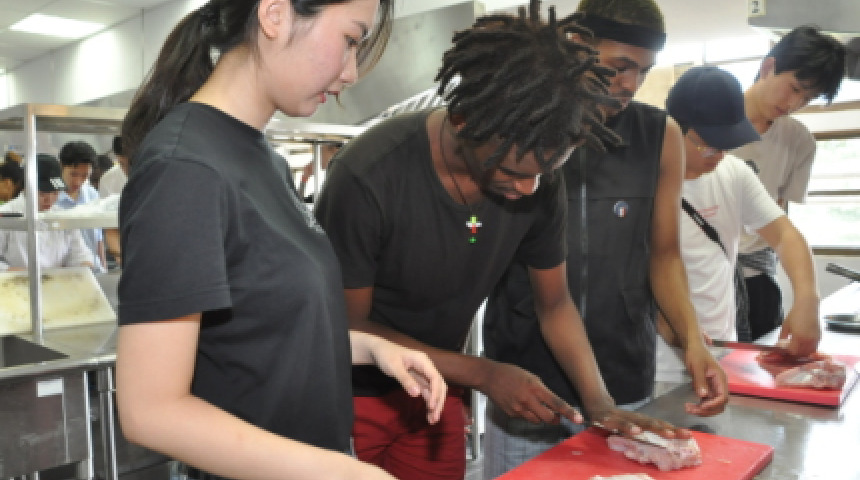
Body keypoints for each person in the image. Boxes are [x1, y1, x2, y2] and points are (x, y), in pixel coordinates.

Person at [314, 3, 690, 479]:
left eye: (542, 174)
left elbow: (554, 304)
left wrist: (599, 403)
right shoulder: (369, 174)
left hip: (436, 389)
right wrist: (483, 373)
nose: (529, 189)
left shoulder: (538, 177)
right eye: (513, 172)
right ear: (464, 122)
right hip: (353, 393)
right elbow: (349, 325)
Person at [115, 2, 448, 480]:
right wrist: (345, 474)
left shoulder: (262, 158)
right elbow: (152, 411)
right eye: (350, 41)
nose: (351, 73)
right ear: (274, 14)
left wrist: (369, 349)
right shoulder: (185, 168)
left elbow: (263, 329)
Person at [480, 1, 728, 476]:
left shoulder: (660, 135)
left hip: (622, 375)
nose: (632, 84)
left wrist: (692, 342)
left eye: (644, 71)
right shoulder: (523, 124)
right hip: (528, 379)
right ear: (577, 46)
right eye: (620, 67)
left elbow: (664, 254)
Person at [657, 66, 820, 377]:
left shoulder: (733, 173)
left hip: (722, 352)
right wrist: (678, 330)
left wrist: (807, 299)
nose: (719, 155)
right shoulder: (640, 181)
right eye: (709, 144)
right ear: (673, 129)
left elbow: (784, 235)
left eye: (727, 144)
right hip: (658, 365)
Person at [733, 25, 845, 343]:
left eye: (807, 98)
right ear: (768, 66)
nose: (795, 103)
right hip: (700, 275)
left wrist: (807, 299)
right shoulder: (706, 123)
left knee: (762, 365)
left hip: (757, 276)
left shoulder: (799, 140)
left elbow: (779, 219)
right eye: (795, 88)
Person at [0, 154, 93, 271]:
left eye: (55, 193)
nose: (49, 199)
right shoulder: (6, 215)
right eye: (42, 194)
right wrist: (21, 273)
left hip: (58, 281)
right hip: (16, 281)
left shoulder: (62, 216)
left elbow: (80, 254)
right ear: (26, 188)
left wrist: (84, 265)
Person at [57, 140, 106, 272]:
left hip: (94, 270)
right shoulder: (51, 200)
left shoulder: (92, 195)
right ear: (61, 166)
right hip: (64, 272)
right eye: (73, 174)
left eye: (85, 175)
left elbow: (98, 238)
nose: (78, 181)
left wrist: (103, 267)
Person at [100, 136, 129, 267]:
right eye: (122, 163)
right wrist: (120, 258)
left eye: (130, 162)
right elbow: (109, 225)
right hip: (123, 244)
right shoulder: (108, 179)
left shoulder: (153, 173)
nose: (126, 169)